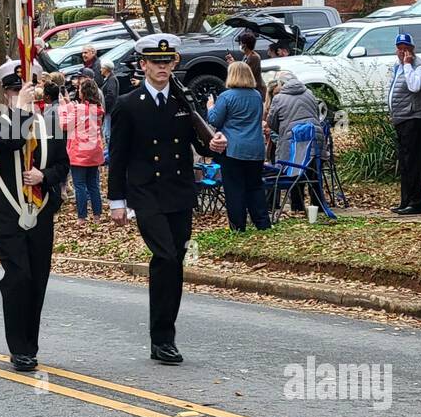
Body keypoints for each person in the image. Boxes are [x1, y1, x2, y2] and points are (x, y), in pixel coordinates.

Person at [108, 35, 224, 365]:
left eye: (168, 62)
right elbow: (118, 158)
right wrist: (117, 200)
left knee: (173, 264)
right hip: (146, 194)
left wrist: (213, 144)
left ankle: (164, 337)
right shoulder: (129, 104)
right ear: (142, 65)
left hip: (179, 192)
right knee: (166, 256)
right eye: (156, 62)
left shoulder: (182, 102)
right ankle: (162, 339)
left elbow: (200, 143)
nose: (162, 67)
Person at [0, 59, 70, 371]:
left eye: (28, 88)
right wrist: (20, 109)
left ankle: (30, 345)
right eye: (16, 89)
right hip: (7, 210)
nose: (24, 93)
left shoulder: (50, 120)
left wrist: (44, 175)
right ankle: (18, 347)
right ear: (7, 93)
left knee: (38, 279)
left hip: (41, 209)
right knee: (18, 276)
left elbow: (63, 164)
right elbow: (11, 142)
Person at [207, 61, 270, 231]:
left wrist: (210, 107)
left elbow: (214, 120)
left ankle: (238, 226)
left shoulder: (226, 96)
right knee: (255, 186)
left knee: (234, 188)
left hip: (233, 148)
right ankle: (263, 223)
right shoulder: (256, 95)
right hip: (255, 148)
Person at [265, 70, 327, 215]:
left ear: (282, 84)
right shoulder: (309, 93)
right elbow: (316, 115)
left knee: (293, 171)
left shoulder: (279, 98)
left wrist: (283, 129)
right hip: (314, 137)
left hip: (292, 140)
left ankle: (297, 206)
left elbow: (271, 122)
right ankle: (318, 205)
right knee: (313, 172)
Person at [387, 32, 421, 215]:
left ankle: (418, 202)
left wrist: (407, 65)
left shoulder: (419, 67)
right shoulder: (397, 67)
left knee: (414, 162)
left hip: (416, 119)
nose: (403, 52)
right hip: (402, 119)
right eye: (400, 48)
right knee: (404, 163)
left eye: (406, 48)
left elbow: (414, 86)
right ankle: (405, 201)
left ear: (413, 49)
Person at [59, 77, 105, 220]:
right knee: (93, 185)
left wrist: (63, 107)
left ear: (83, 92)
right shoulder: (98, 109)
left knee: (79, 185)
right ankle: (97, 215)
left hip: (79, 152)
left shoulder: (78, 108)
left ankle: (82, 216)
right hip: (94, 151)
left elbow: (64, 125)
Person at [99, 60, 119, 144]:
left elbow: (111, 95)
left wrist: (104, 106)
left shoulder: (111, 80)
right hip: (108, 110)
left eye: (102, 68)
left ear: (106, 69)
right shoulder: (109, 79)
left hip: (109, 110)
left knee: (107, 131)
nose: (100, 70)